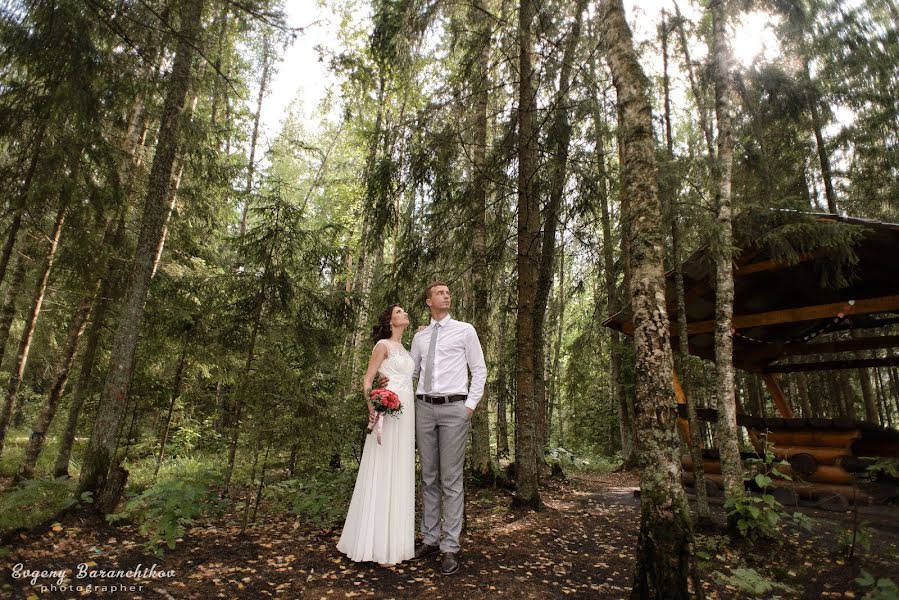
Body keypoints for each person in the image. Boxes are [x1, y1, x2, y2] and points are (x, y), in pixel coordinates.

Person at [409, 281, 487, 575]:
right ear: (429, 301)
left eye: (448, 292)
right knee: (429, 477)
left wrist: (469, 406)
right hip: (424, 408)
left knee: (452, 479)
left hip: (455, 408)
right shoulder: (420, 337)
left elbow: (479, 369)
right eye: (440, 293)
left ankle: (450, 546)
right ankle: (429, 539)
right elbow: (412, 372)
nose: (446, 295)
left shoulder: (465, 330)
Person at [336, 305, 416, 566]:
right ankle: (375, 544)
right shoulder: (382, 345)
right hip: (387, 410)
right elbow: (368, 379)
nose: (405, 314)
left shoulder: (404, 349)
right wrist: (374, 406)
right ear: (390, 320)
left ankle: (395, 544)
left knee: (400, 470)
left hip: (406, 413)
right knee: (383, 468)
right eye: (399, 311)